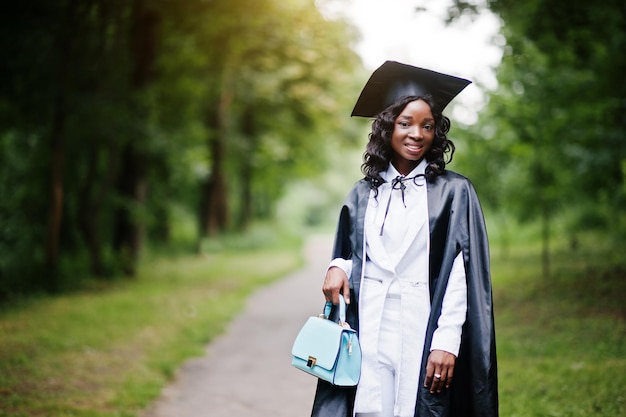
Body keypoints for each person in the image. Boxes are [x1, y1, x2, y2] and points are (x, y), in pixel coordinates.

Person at [311, 61, 498, 417]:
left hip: (422, 323)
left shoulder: (453, 192)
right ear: (387, 127)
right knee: (369, 408)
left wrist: (445, 342)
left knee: (419, 408)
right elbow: (352, 252)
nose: (417, 134)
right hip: (370, 320)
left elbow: (460, 274)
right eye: (406, 123)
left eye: (427, 126)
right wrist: (337, 266)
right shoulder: (365, 193)